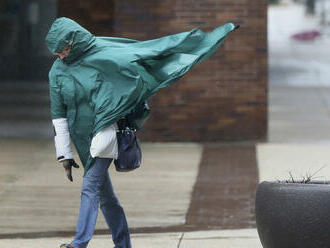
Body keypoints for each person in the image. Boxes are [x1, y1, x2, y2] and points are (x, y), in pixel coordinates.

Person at [45, 17, 237, 248]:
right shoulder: (57, 71)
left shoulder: (105, 55)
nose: (61, 56)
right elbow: (59, 114)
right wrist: (65, 154)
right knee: (106, 198)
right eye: (57, 53)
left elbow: (149, 53)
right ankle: (123, 244)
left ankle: (79, 243)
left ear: (74, 42)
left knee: (90, 186)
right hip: (81, 138)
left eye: (63, 50)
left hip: (104, 132)